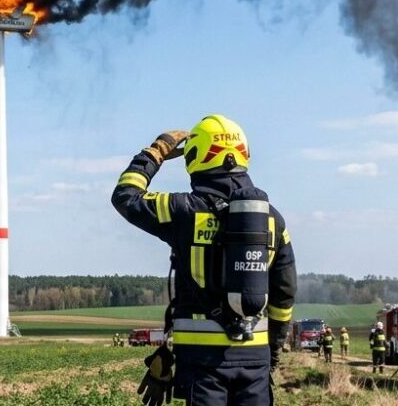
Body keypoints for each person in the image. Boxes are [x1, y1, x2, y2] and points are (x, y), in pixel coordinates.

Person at [112, 115, 297, 406]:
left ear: (196, 157)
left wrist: (155, 152)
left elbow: (126, 196)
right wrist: (271, 354)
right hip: (255, 359)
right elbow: (284, 295)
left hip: (201, 361)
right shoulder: (273, 220)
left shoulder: (183, 210)